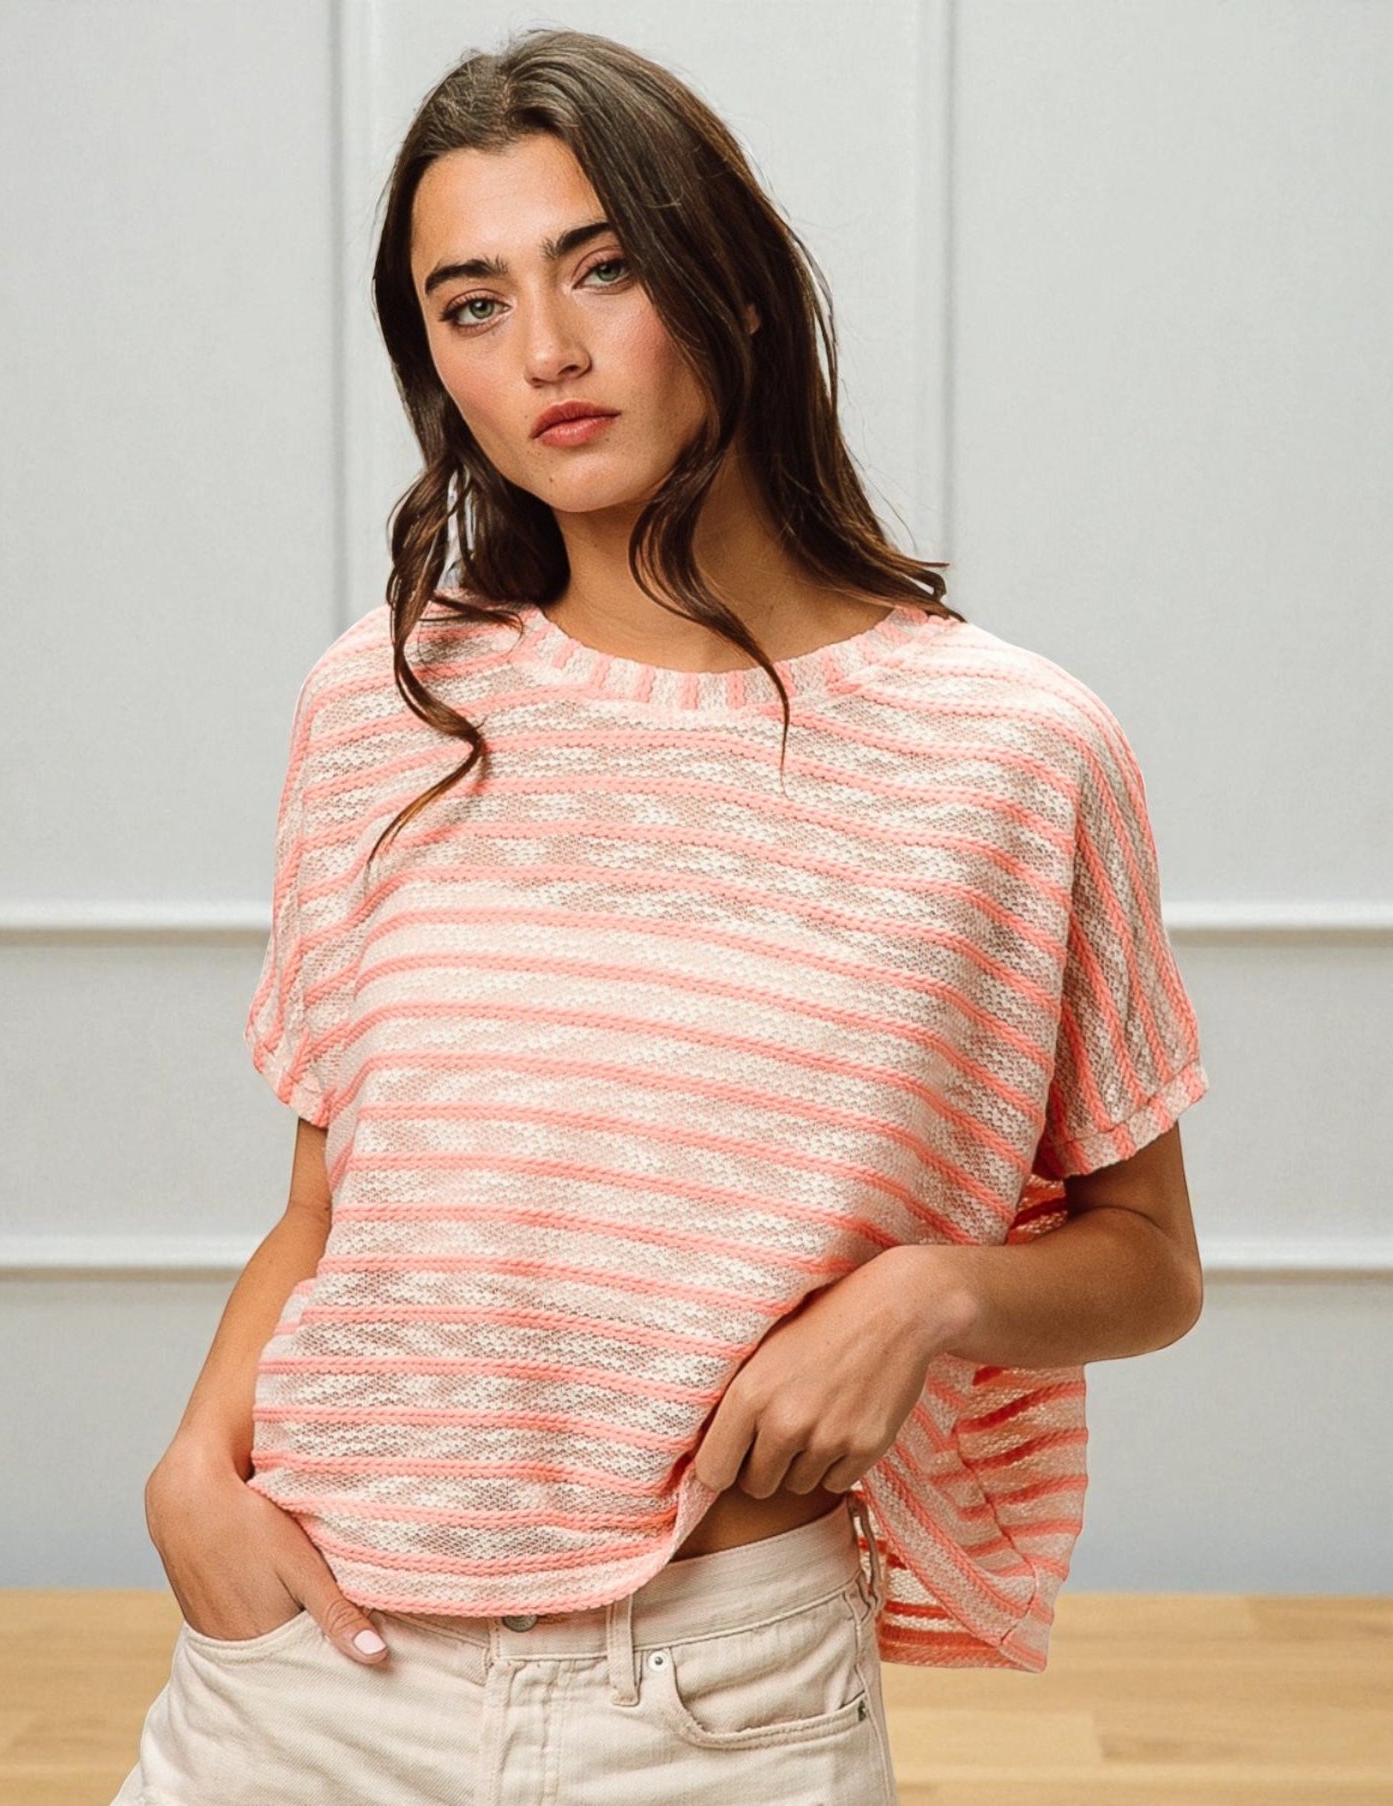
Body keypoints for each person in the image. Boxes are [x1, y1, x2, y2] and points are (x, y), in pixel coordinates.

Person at [110, 25, 1209, 1806]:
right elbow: (326, 1204)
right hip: (300, 1670)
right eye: (472, 305)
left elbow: (1147, 1259)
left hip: (714, 1695)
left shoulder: (1011, 752)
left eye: (602, 268)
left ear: (734, 286)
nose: (544, 349)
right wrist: (187, 1472)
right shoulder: (382, 703)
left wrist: (923, 1294)